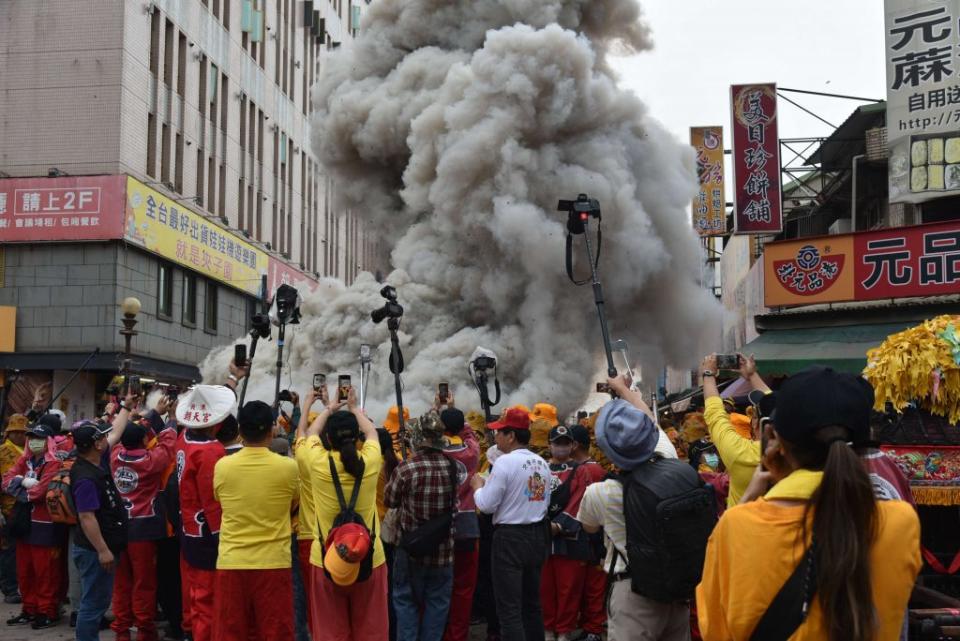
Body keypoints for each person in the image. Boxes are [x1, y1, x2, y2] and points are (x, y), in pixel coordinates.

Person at [697, 367, 922, 641]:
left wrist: (749, 498)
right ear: (865, 441)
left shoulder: (736, 528)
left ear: (773, 439)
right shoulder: (899, 523)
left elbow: (715, 632)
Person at [578, 375, 693, 641]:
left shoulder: (602, 493)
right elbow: (648, 419)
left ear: (608, 451)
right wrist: (623, 389)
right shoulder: (671, 460)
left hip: (633, 594)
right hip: (677, 587)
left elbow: (589, 526)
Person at [212, 400, 299, 641]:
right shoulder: (288, 467)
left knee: (231, 633)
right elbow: (293, 504)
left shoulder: (222, 467)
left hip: (231, 561)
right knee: (276, 633)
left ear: (240, 431)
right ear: (272, 430)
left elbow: (220, 500)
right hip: (274, 563)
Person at [305, 388, 387, 641]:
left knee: (330, 632)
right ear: (357, 438)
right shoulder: (372, 461)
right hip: (370, 558)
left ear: (328, 438)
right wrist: (353, 408)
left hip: (326, 558)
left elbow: (310, 433)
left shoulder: (317, 462)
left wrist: (328, 408)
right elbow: (373, 432)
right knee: (371, 630)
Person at [471, 407, 551, 641]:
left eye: (498, 433)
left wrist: (478, 487)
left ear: (511, 436)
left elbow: (486, 505)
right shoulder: (541, 463)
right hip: (537, 537)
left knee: (509, 609)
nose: (495, 438)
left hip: (510, 540)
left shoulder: (505, 464)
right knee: (532, 605)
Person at [109, 397, 178, 641]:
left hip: (119, 529)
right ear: (143, 441)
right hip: (144, 530)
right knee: (144, 584)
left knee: (122, 583)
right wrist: (168, 417)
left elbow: (118, 434)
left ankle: (121, 631)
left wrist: (148, 416)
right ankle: (145, 632)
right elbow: (169, 444)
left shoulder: (115, 456)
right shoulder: (150, 461)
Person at [385, 411, 458, 641]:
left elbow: (389, 500)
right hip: (443, 549)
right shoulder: (452, 466)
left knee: (405, 602)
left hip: (410, 549)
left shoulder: (407, 468)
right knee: (437, 606)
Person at [174, 384, 234, 641]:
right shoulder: (210, 451)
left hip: (186, 526)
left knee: (192, 593)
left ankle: (189, 632)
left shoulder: (183, 437)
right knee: (207, 600)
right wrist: (223, 538)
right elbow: (214, 502)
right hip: (206, 533)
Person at [2, 420, 66, 629]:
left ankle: (47, 611)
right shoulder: (26, 461)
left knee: (45, 571)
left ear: (47, 441)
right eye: (32, 438)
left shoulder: (54, 463)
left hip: (45, 524)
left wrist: (18, 485)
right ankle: (29, 609)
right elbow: (5, 481)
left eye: (39, 438)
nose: (34, 442)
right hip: (23, 523)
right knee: (25, 570)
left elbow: (40, 493)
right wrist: (22, 483)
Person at [70, 420, 129, 641]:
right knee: (93, 605)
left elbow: (114, 435)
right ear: (96, 444)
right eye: (102, 437)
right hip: (94, 551)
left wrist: (126, 407)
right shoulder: (86, 477)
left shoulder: (95, 461)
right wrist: (103, 550)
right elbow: (87, 517)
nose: (107, 439)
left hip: (97, 548)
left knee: (96, 602)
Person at [700, 354, 769, 506]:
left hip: (746, 527)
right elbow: (774, 404)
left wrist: (708, 374)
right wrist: (752, 375)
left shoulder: (742, 454)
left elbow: (715, 415)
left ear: (756, 423)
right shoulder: (798, 446)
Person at [541, 425, 589, 641]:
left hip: (568, 538)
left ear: (572, 445)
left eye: (565, 443)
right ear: (549, 445)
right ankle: (547, 629)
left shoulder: (581, 470)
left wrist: (559, 525)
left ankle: (564, 631)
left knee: (568, 589)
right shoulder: (540, 467)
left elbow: (580, 501)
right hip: (541, 537)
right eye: (557, 443)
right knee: (544, 588)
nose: (561, 447)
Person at [439, 405, 481, 641]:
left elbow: (425, 437)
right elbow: (471, 435)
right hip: (467, 527)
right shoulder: (472, 453)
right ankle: (458, 636)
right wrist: (459, 419)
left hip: (440, 527)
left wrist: (438, 412)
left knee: (438, 587)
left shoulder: (435, 454)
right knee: (464, 589)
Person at [567, 425, 607, 641]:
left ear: (576, 445)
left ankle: (594, 630)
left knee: (593, 587)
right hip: (588, 536)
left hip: (592, 537)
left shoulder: (589, 470)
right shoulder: (590, 468)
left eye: (567, 442)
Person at [0, 413, 27, 604]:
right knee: (8, 550)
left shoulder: (25, 451)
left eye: (23, 432)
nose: (21, 435)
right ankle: (9, 589)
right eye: (17, 432)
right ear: (10, 433)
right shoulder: (3, 452)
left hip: (22, 507)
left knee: (17, 549)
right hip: (7, 508)